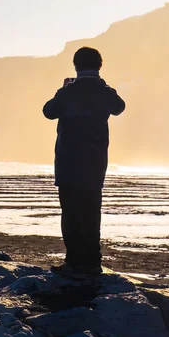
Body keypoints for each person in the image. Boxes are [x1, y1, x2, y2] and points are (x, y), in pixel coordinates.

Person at [43, 47, 125, 276]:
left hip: (69, 161)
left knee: (70, 212)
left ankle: (74, 261)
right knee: (91, 211)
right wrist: (104, 86)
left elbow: (48, 111)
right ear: (99, 66)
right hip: (95, 162)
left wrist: (64, 88)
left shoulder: (68, 92)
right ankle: (92, 261)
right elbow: (119, 108)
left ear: (76, 66)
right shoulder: (105, 92)